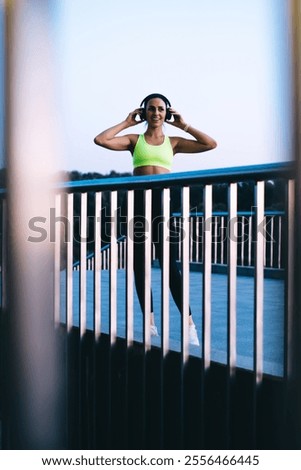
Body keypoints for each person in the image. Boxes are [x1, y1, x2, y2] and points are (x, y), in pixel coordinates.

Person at [94, 93, 217, 345]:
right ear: (144, 112)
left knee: (170, 266)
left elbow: (210, 144)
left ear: (167, 113)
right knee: (140, 264)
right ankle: (150, 325)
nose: (156, 113)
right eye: (151, 109)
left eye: (161, 109)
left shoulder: (173, 142)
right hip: (139, 205)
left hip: (163, 207)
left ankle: (190, 325)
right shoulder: (133, 140)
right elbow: (101, 140)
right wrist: (127, 122)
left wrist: (184, 125)